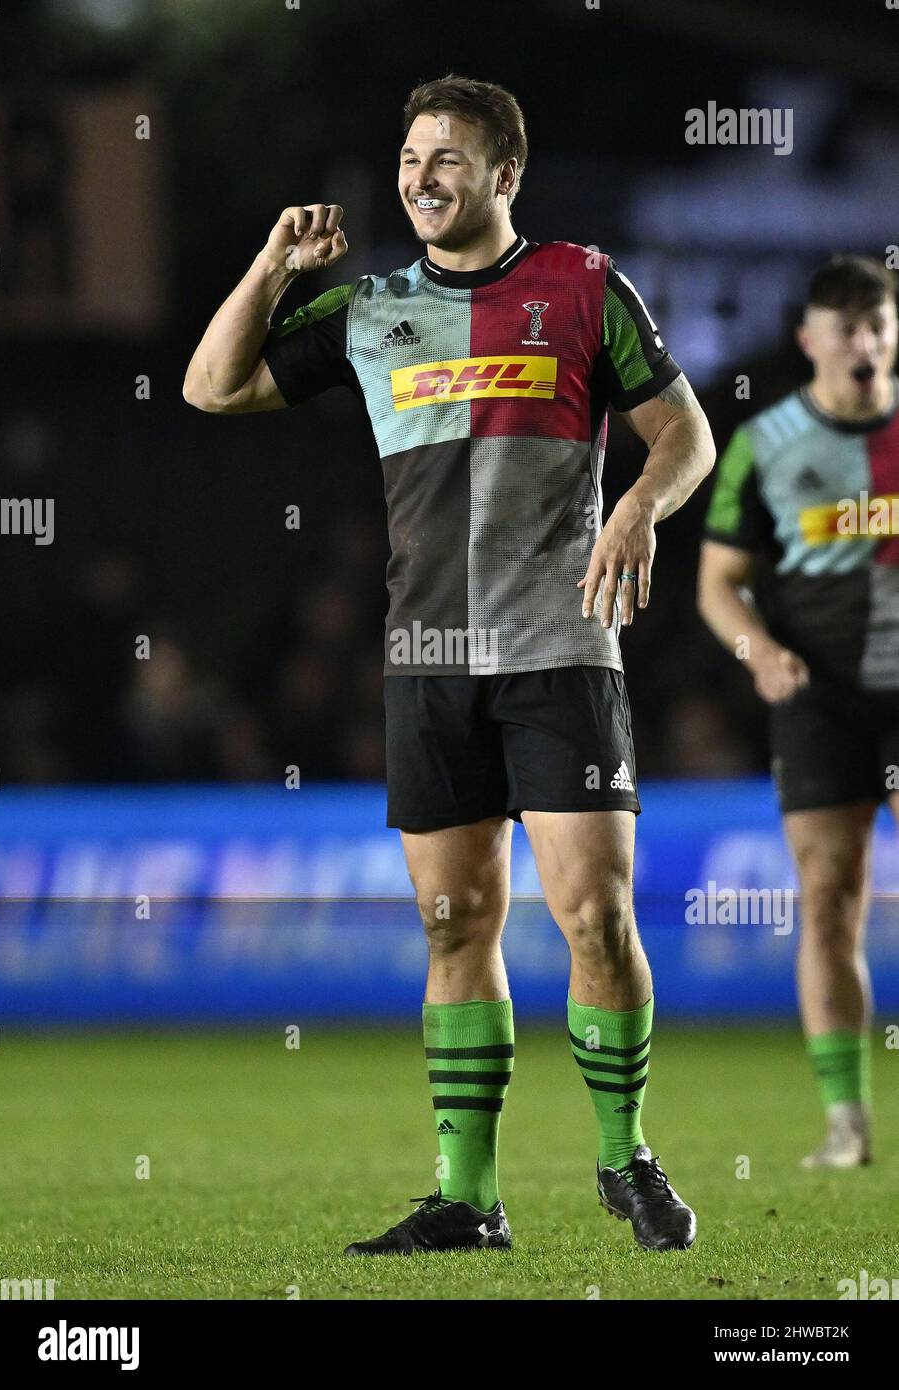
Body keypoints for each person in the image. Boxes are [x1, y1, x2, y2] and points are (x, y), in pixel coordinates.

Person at [184, 74, 715, 1252]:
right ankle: (467, 1199)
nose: (421, 177)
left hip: (559, 646)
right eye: (410, 158)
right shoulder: (370, 309)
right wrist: (274, 269)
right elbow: (210, 385)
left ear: (504, 176)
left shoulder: (580, 285)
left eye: (448, 159)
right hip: (427, 657)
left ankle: (623, 1155)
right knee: (453, 922)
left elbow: (686, 431)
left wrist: (636, 507)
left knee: (592, 915)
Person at [698, 254, 899, 1169]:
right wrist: (757, 650)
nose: (861, 344)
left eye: (876, 326)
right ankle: (845, 1123)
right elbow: (717, 587)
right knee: (826, 901)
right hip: (817, 701)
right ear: (808, 340)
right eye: (844, 329)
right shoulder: (763, 442)